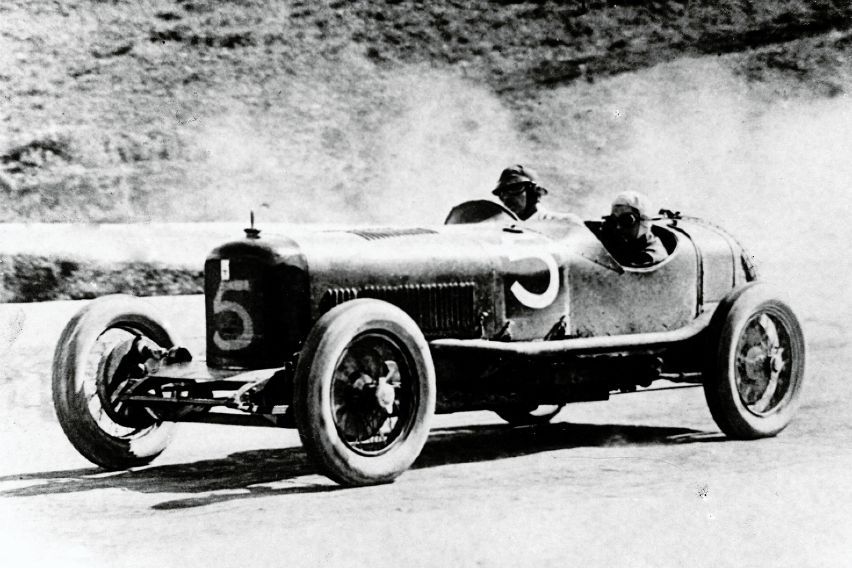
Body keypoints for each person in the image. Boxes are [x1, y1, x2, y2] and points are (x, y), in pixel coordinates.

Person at [601, 190, 668, 267]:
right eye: (613, 220)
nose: (618, 227)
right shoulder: (625, 243)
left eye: (626, 220)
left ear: (644, 221)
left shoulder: (654, 254)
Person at [492, 164, 579, 222]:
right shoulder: (502, 230)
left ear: (532, 191)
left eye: (515, 189)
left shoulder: (564, 221)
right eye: (501, 194)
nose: (506, 198)